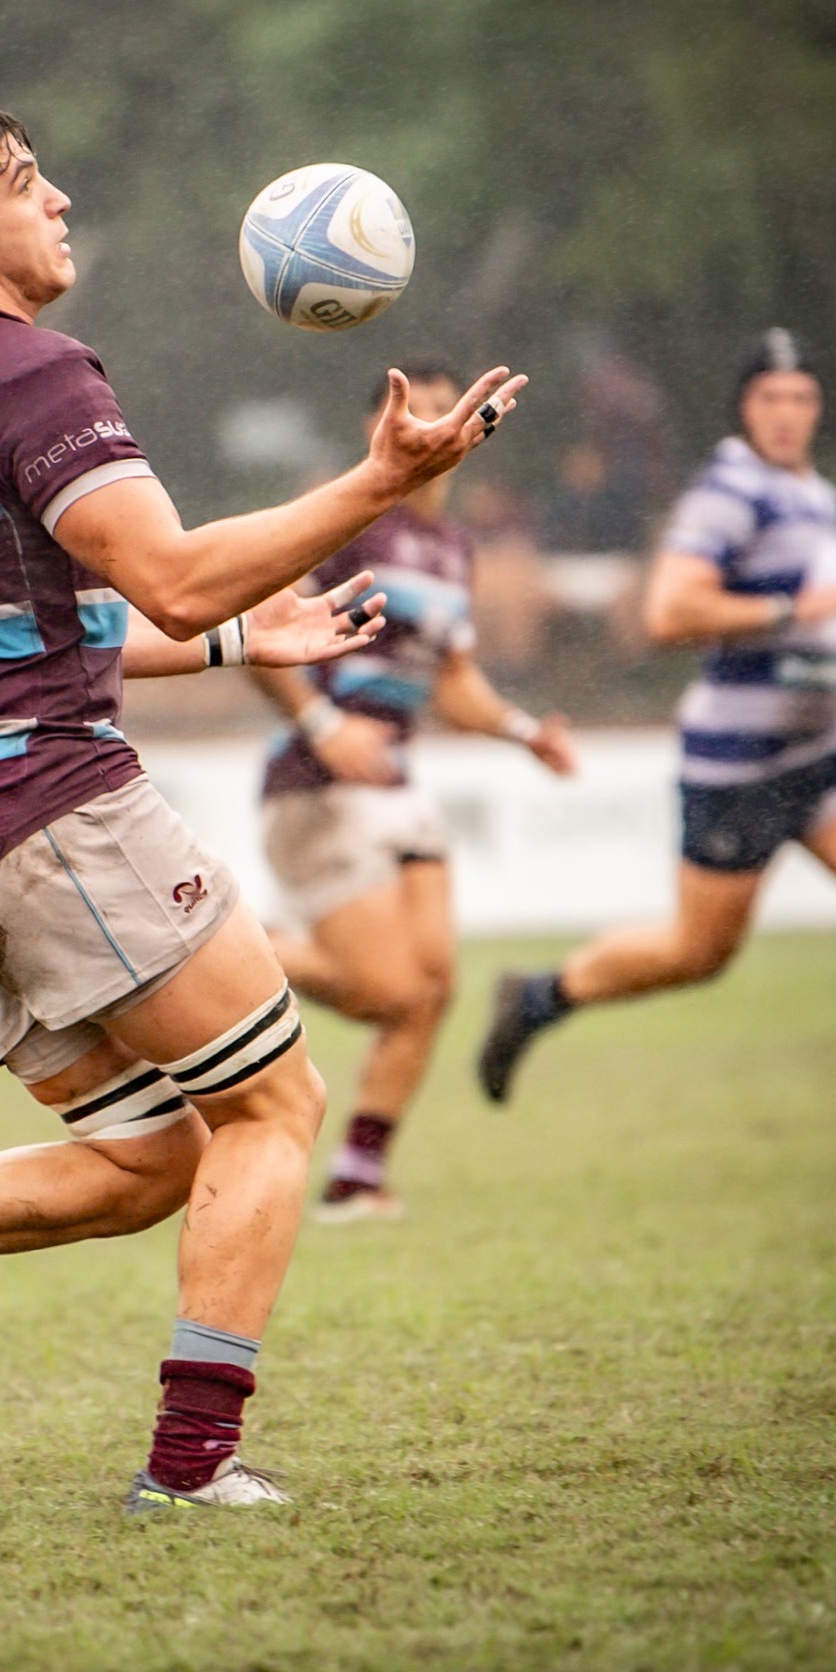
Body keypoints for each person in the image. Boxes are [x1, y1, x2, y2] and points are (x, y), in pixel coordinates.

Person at [0, 102, 524, 1511]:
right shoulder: (34, 373)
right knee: (277, 1104)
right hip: (48, 808)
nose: (65, 201)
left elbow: (47, 612)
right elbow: (167, 573)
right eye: (30, 185)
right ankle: (190, 1469)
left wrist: (239, 640)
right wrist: (381, 481)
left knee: (148, 1157)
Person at [476, 329, 836, 1177]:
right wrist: (799, 604)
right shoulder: (728, 493)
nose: (788, 414)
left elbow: (806, 628)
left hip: (829, 747)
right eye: (771, 399)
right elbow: (671, 613)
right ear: (747, 409)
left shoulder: (814, 493)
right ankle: (538, 997)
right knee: (697, 953)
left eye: (803, 399)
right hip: (741, 760)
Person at [252, 363, 576, 1222]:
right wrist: (323, 723)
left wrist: (521, 731)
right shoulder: (350, 517)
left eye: (451, 414)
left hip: (397, 778)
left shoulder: (452, 549)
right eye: (417, 413)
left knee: (433, 988)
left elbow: (454, 684)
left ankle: (359, 1174)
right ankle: (226, 950)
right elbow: (259, 619)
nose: (435, 428)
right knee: (389, 991)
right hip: (318, 780)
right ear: (381, 431)